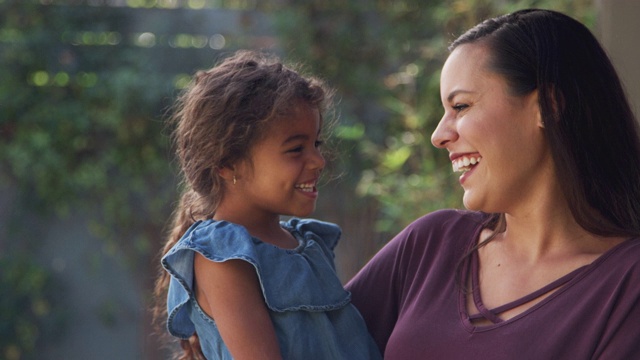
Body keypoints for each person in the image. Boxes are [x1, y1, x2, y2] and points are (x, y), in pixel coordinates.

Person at [346, 8, 640, 359]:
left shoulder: (628, 284)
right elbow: (301, 337)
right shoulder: (430, 245)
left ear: (548, 105)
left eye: (461, 106)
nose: (439, 135)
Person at [152, 50, 381, 360]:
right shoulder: (221, 256)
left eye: (316, 144)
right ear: (229, 163)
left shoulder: (307, 242)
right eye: (295, 149)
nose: (317, 161)